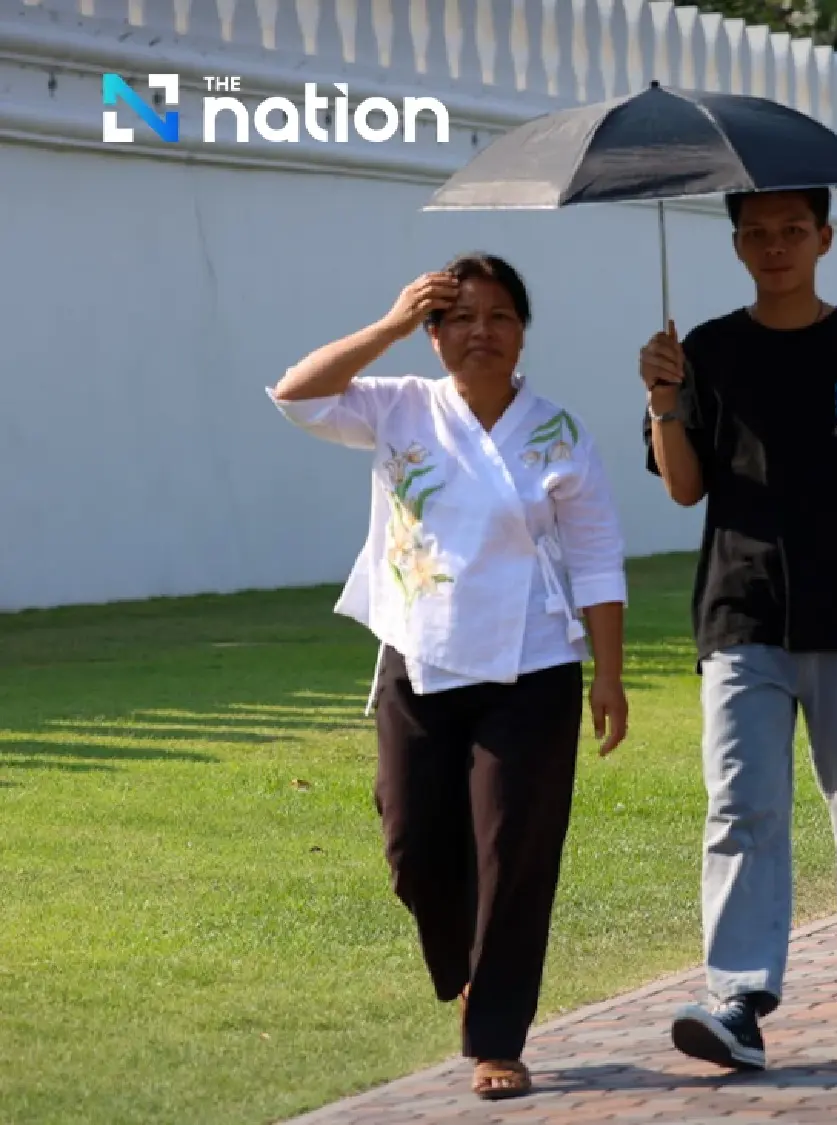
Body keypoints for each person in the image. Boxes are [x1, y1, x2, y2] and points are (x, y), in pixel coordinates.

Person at [269, 254, 630, 1101]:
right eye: (460, 317)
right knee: (410, 845)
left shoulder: (559, 432)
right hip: (419, 659)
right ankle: (471, 969)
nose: (481, 332)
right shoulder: (397, 405)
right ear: (433, 334)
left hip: (533, 664)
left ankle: (497, 1036)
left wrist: (608, 675)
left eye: (500, 316)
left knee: (514, 852)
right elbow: (296, 394)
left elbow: (597, 556)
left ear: (523, 331)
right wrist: (388, 324)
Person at [639, 186, 837, 1071]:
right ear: (737, 244)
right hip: (740, 609)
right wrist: (664, 400)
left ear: (824, 237)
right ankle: (739, 997)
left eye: (791, 230)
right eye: (756, 233)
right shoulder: (705, 351)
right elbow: (684, 486)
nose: (773, 246)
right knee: (740, 803)